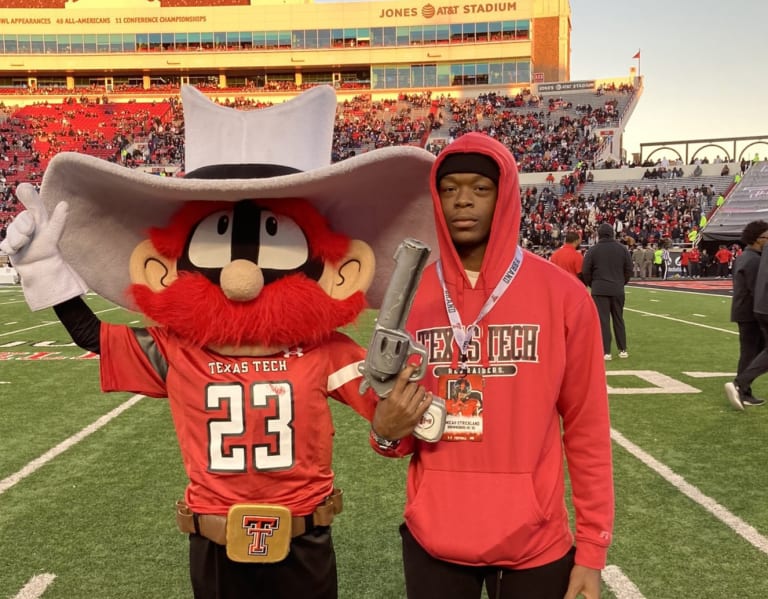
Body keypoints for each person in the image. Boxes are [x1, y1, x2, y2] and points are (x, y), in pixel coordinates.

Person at [0, 85, 437, 599]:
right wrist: (49, 272)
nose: (243, 275)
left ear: (338, 271)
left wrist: (393, 428)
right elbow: (91, 336)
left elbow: (392, 418)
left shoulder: (324, 351)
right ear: (164, 266)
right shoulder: (178, 348)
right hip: (213, 538)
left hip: (305, 536)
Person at [371, 132, 614, 599]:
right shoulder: (408, 299)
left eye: (480, 189)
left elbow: (586, 427)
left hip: (535, 541)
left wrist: (592, 548)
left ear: (504, 198)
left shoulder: (563, 296)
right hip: (433, 536)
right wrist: (385, 430)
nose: (463, 201)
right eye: (449, 189)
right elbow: (389, 429)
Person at [724, 220, 768, 410]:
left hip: (745, 310)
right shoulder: (754, 260)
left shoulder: (746, 256)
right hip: (750, 312)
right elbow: (755, 289)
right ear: (759, 239)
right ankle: (741, 387)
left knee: (752, 352)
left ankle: (744, 389)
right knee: (751, 352)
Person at [582, 222, 633, 360]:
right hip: (617, 288)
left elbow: (586, 271)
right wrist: (621, 282)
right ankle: (623, 349)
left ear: (599, 235)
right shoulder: (622, 249)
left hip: (599, 288)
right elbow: (629, 269)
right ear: (612, 233)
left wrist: (593, 284)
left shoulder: (593, 250)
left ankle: (606, 351)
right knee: (618, 318)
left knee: (603, 320)